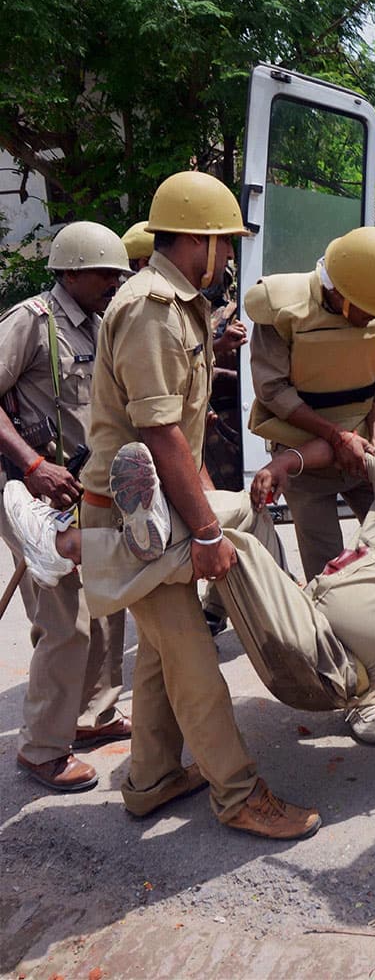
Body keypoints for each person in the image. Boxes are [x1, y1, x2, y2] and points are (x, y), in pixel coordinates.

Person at [5, 403, 375, 728]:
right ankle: (140, 532)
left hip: (329, 670)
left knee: (226, 545)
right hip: (302, 612)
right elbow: (353, 447)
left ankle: (69, 545)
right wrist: (285, 464)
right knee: (241, 514)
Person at [78, 170, 321, 841]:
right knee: (192, 662)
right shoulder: (152, 307)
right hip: (135, 521)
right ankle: (238, 794)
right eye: (225, 243)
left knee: (161, 655)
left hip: (155, 511)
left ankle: (152, 778)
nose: (231, 257)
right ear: (197, 240)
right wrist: (210, 531)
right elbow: (158, 434)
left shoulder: (177, 304)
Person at [246, 227, 375, 745]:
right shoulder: (280, 308)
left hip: (364, 451)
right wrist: (331, 435)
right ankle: (356, 695)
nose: (373, 320)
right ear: (336, 291)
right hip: (303, 455)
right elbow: (271, 388)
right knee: (332, 578)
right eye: (362, 310)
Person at [0, 221, 131, 793]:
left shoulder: (102, 326)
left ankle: (92, 715)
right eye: (107, 273)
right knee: (63, 623)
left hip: (87, 495)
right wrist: (32, 465)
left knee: (106, 608)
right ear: (73, 270)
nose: (115, 283)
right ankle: (41, 750)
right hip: (32, 497)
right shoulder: (31, 322)